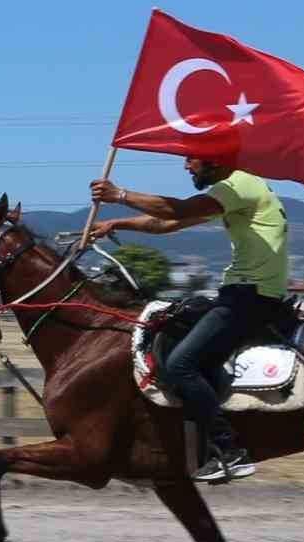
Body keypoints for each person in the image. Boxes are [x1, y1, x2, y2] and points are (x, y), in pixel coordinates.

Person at [88, 157, 290, 483]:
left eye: (191, 160)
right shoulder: (236, 189)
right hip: (242, 294)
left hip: (249, 298)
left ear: (212, 159)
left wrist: (120, 194)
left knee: (181, 364)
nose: (186, 168)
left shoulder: (238, 184)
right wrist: (117, 225)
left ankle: (229, 451)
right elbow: (166, 224)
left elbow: (177, 211)